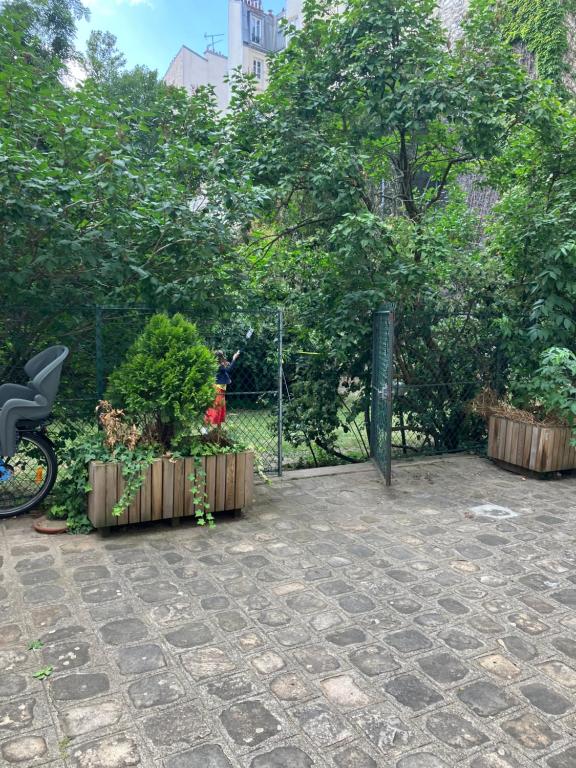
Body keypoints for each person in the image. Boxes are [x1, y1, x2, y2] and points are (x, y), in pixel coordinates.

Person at [204, 349, 240, 427]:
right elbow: (229, 370)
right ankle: (207, 427)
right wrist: (234, 359)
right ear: (219, 358)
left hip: (221, 389)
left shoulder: (219, 365)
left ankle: (218, 429)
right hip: (218, 389)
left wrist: (226, 364)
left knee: (219, 407)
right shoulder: (218, 366)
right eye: (222, 356)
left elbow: (225, 369)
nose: (224, 357)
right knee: (216, 407)